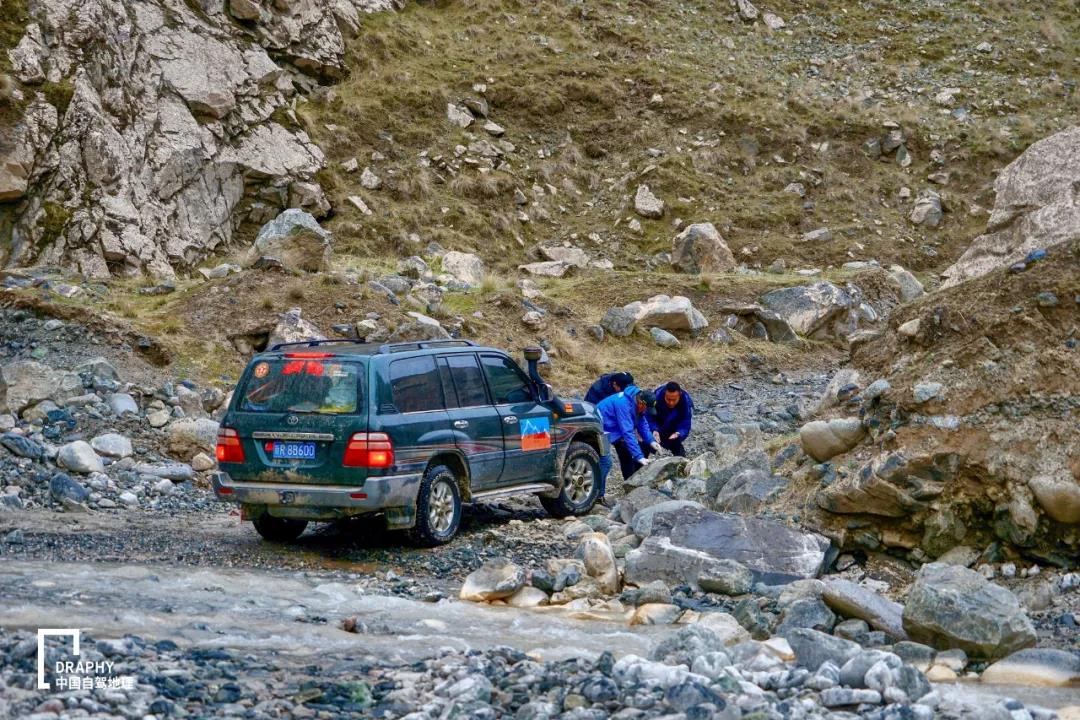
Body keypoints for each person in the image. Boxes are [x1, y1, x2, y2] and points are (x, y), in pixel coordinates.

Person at [595, 385, 660, 503]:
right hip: (601, 427)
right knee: (605, 462)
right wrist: (639, 456)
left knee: (625, 450)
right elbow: (627, 431)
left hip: (615, 427)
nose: (646, 411)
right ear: (641, 403)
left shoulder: (639, 403)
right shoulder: (623, 404)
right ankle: (598, 496)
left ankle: (630, 485)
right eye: (646, 408)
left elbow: (642, 423)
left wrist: (651, 441)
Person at [647, 381, 693, 457]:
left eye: (674, 400)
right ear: (665, 394)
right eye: (668, 399)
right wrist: (654, 429)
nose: (671, 403)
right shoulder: (655, 399)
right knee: (643, 445)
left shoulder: (685, 403)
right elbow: (648, 418)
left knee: (678, 450)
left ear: (679, 395)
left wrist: (679, 433)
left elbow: (685, 423)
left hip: (673, 431)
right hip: (657, 428)